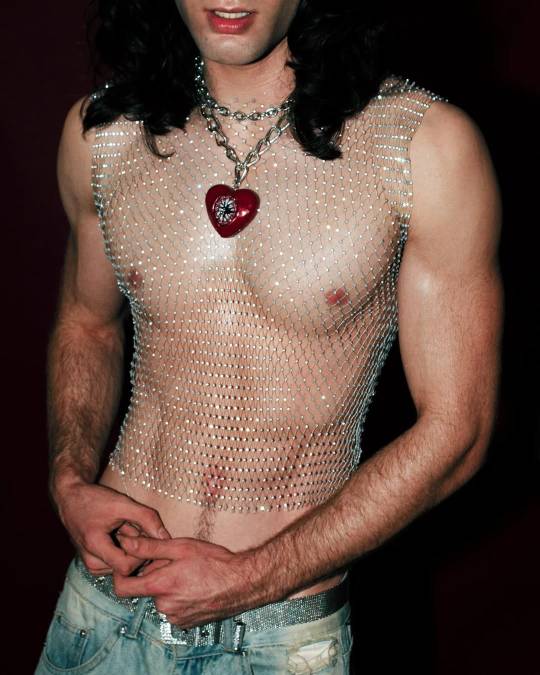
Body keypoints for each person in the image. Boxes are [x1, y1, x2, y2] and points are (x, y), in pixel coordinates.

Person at [35, 0, 503, 673]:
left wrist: (253, 576)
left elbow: (460, 429)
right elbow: (86, 323)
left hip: (276, 633)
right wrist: (68, 477)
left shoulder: (421, 145)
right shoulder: (105, 134)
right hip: (103, 603)